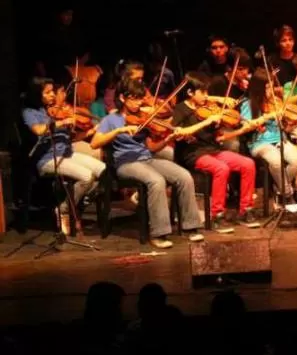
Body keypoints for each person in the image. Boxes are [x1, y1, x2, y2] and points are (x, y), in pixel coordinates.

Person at [90, 79, 205, 249]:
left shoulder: (141, 118)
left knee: (184, 176)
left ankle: (190, 226)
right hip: (125, 163)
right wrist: (118, 131)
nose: (138, 103)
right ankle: (158, 233)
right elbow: (94, 143)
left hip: (146, 159)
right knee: (156, 181)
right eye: (134, 99)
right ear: (122, 98)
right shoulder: (110, 119)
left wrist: (168, 138)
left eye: (140, 99)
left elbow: (151, 147)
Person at [170, 72, 258, 231]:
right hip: (193, 154)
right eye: (202, 92)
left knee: (248, 164)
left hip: (213, 150)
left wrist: (219, 124)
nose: (207, 96)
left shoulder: (207, 109)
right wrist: (208, 122)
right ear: (190, 93)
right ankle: (217, 215)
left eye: (207, 92)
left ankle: (246, 210)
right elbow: (180, 133)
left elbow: (218, 134)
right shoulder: (180, 109)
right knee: (221, 168)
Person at [22, 77, 106, 235]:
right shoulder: (29, 112)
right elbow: (39, 130)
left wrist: (86, 130)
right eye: (48, 92)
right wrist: (61, 122)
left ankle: (77, 204)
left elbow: (72, 138)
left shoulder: (50, 109)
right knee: (87, 176)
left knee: (102, 169)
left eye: (53, 91)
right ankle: (64, 210)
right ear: (36, 94)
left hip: (67, 154)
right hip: (47, 159)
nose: (53, 95)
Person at [221, 68, 297, 208]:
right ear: (258, 87)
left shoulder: (276, 102)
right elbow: (247, 124)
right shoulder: (248, 104)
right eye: (267, 86)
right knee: (276, 161)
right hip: (260, 143)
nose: (271, 89)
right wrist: (262, 119)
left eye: (271, 85)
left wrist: (288, 123)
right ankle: (288, 194)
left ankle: (279, 190)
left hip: (280, 139)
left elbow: (285, 126)